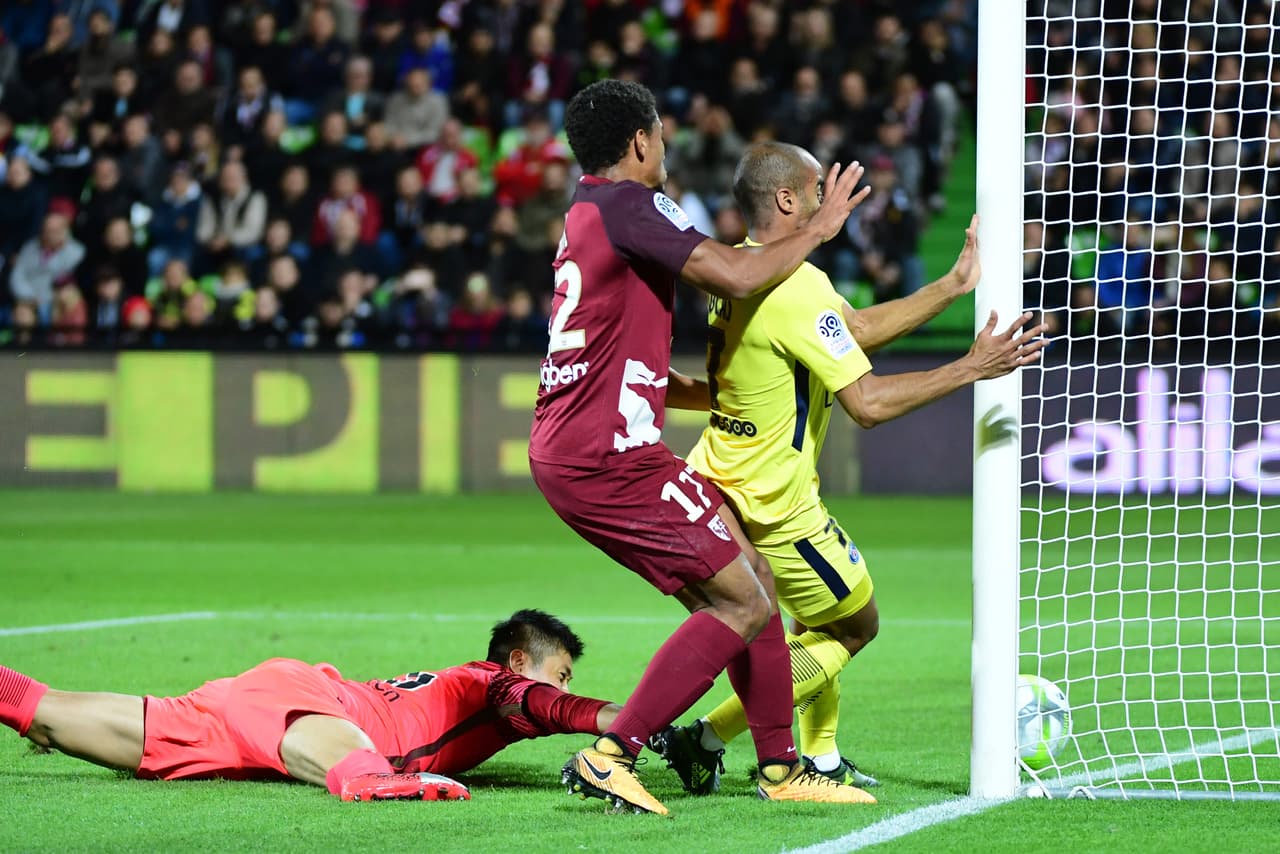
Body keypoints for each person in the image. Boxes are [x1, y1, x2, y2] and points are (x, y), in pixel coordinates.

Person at [653, 142, 1048, 795]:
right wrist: (971, 368)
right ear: (787, 200)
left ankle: (823, 756)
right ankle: (704, 738)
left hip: (721, 485)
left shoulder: (745, 272)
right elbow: (866, 403)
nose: (823, 202)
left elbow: (853, 329)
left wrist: (949, 288)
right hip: (775, 505)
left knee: (809, 623)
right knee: (854, 626)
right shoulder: (798, 285)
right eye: (815, 190)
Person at [527, 79, 873, 817]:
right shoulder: (630, 204)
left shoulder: (588, 210)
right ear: (641, 142)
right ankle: (613, 752)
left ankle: (782, 768)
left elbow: (623, 355)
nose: (668, 145)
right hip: (610, 456)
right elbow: (742, 272)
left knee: (750, 586)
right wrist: (820, 227)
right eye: (661, 132)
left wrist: (723, 393)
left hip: (588, 446)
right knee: (744, 599)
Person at [0, 610, 620, 802]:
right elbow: (553, 708)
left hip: (251, 717)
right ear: (518, 661)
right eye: (560, 674)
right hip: (309, 704)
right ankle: (367, 779)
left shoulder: (482, 692)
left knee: (48, 714)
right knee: (359, 758)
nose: (560, 689)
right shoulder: (492, 684)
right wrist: (637, 723)